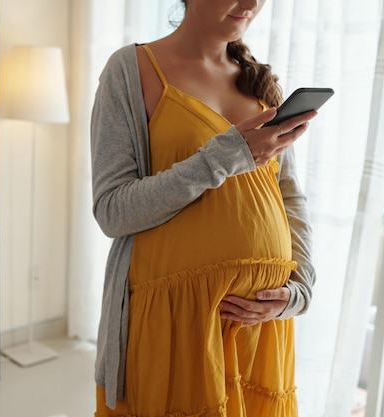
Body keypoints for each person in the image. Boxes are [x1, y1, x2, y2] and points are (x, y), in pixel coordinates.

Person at [90, 0, 317, 416]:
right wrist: (224, 156)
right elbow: (112, 210)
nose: (250, 4)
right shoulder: (130, 70)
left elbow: (289, 197)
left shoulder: (260, 83)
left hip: (261, 327)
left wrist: (298, 290)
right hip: (177, 324)